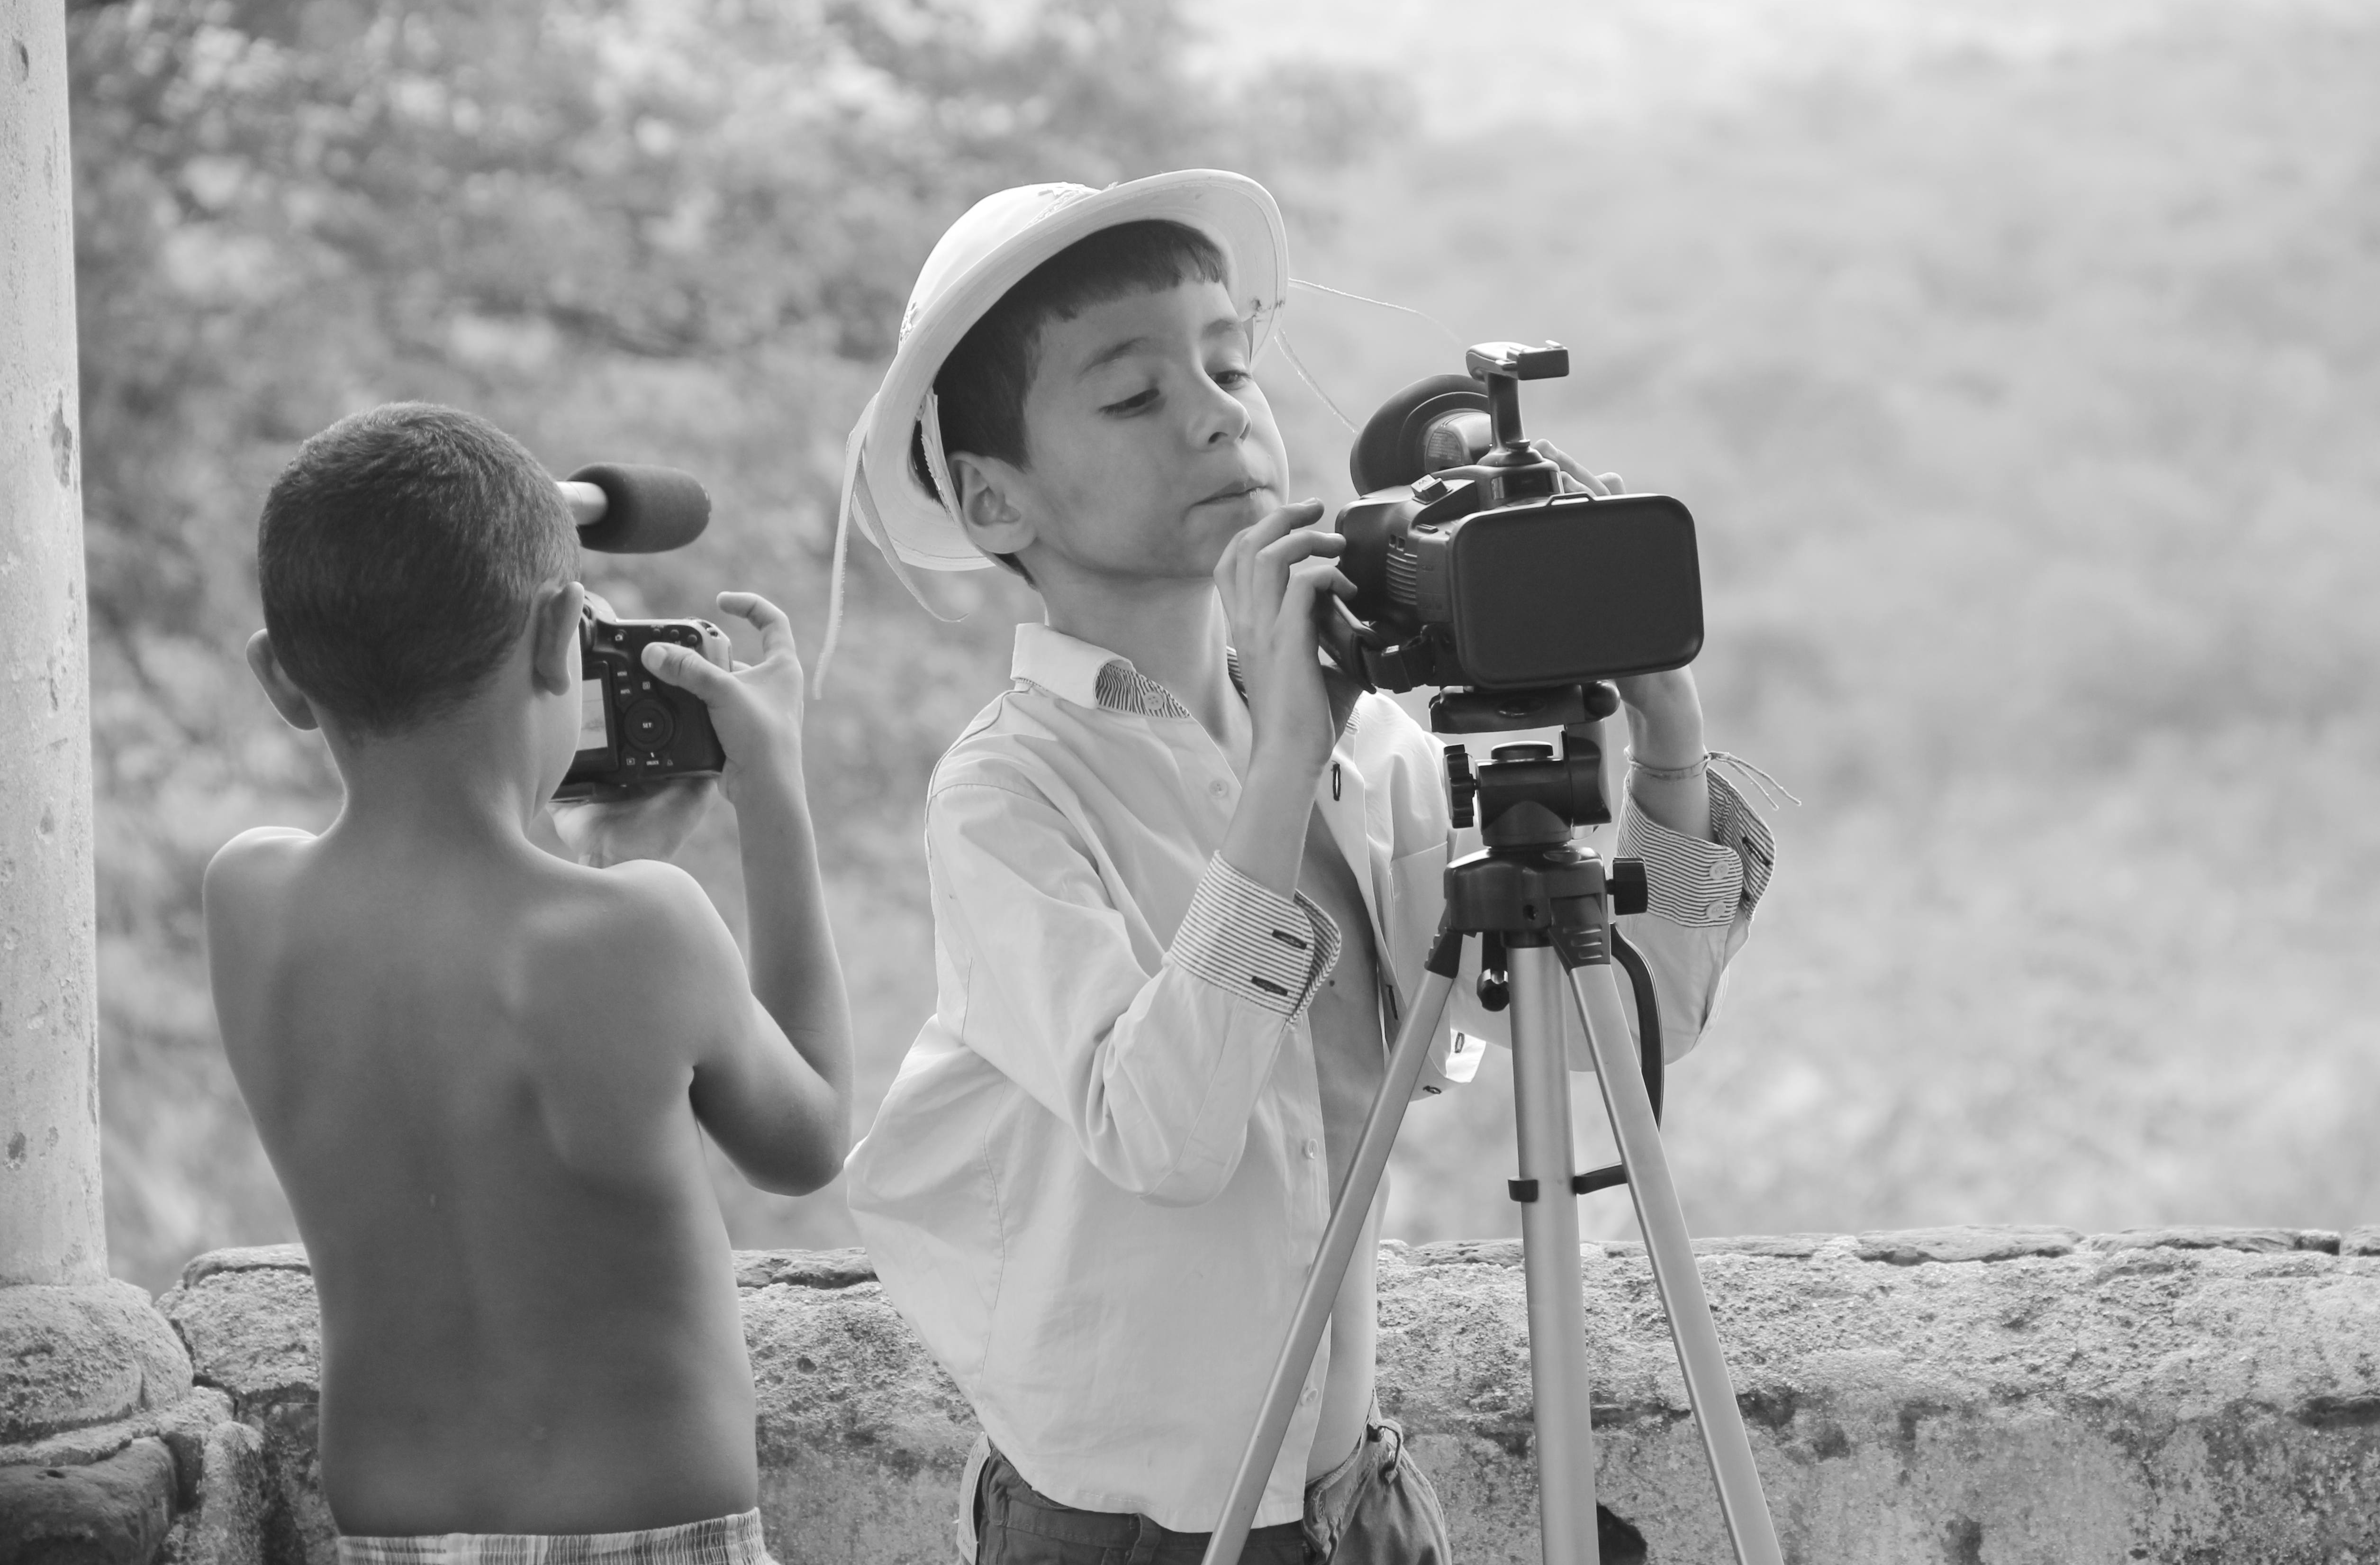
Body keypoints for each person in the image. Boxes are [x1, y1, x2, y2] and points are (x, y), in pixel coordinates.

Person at [838, 172, 1777, 1565]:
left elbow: (1609, 1027)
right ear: (991, 498)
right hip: (1123, 1528)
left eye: (1231, 368)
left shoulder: (1371, 749)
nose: (1219, 415)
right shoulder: (1009, 793)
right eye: (1134, 395)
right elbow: (1164, 1137)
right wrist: (1282, 765)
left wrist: (1670, 745)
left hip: (1347, 1496)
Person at [204, 402, 851, 1562]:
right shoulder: (650, 929)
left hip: (394, 1534)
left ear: (280, 679)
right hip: (659, 1534)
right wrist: (772, 789)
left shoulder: (248, 902)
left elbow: (462, 978)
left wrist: (597, 862)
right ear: (565, 639)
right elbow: (805, 1146)